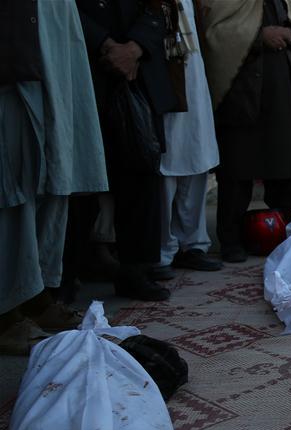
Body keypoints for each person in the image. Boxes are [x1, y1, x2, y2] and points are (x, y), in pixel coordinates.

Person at [1, 0, 108, 354]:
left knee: (53, 174)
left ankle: (35, 294)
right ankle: (7, 309)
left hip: (54, 41)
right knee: (16, 177)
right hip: (17, 50)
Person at [199, 0, 291, 263]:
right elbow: (214, 33)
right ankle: (231, 241)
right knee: (236, 174)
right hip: (241, 95)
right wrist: (258, 37)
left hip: (279, 97)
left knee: (286, 171)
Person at [77, 0, 179, 300]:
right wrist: (104, 43)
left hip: (138, 72)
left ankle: (136, 270)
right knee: (80, 184)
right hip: (85, 70)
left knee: (141, 175)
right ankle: (68, 274)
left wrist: (135, 48)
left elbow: (160, 8)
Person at [153, 0, 221, 280]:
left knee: (197, 157)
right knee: (167, 166)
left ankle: (192, 244)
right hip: (165, 75)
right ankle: (163, 250)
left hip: (194, 80)